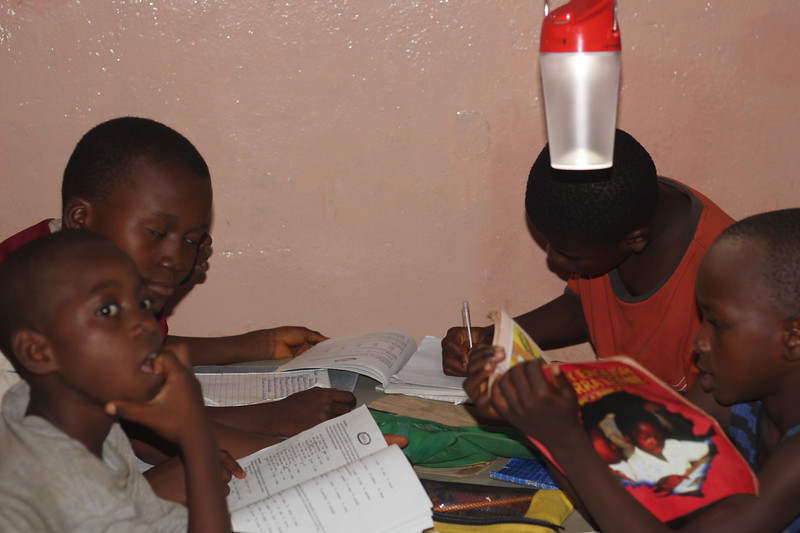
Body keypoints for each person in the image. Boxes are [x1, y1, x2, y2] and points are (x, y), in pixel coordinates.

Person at [0, 116, 356, 440]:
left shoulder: (67, 257)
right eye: (157, 233)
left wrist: (259, 345)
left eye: (191, 241)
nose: (177, 260)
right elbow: (129, 428)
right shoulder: (25, 301)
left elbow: (127, 352)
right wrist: (269, 417)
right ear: (81, 218)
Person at [464, 208, 800, 532]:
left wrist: (565, 440)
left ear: (794, 337)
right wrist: (532, 415)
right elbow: (618, 505)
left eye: (718, 323)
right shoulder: (732, 398)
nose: (699, 342)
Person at [442, 129, 734, 392]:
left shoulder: (724, 277)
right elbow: (587, 308)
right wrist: (496, 338)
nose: (553, 258)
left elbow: (713, 413)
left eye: (571, 255)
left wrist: (580, 390)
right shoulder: (617, 209)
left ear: (636, 241)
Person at [0, 229, 235, 532]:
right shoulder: (61, 478)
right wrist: (196, 437)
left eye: (143, 304)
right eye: (107, 310)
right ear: (37, 351)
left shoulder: (77, 417)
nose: (143, 324)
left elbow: (154, 518)